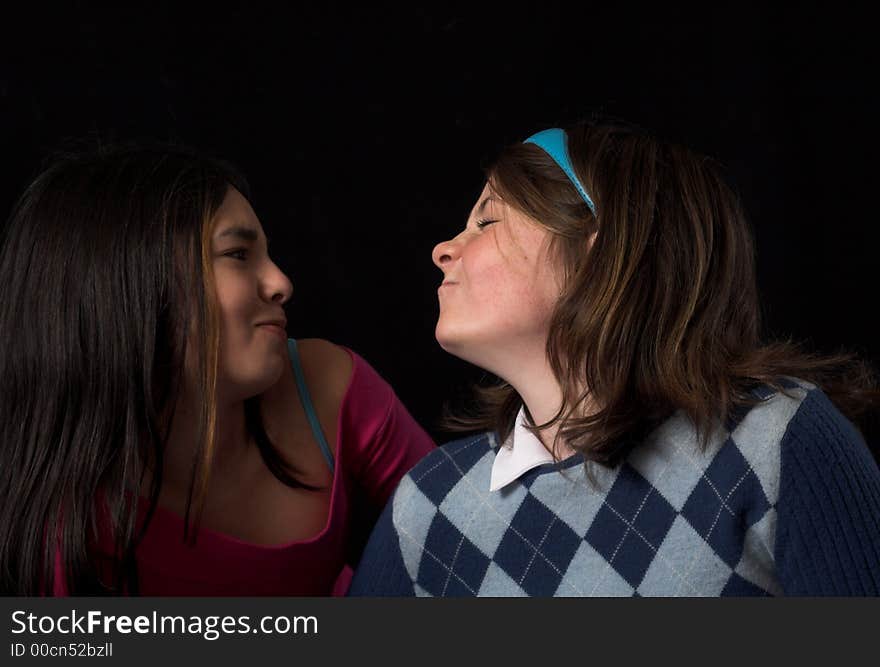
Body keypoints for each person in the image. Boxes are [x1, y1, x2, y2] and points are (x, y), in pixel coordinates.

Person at [349, 121, 880, 596]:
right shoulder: (429, 507)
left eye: (487, 222)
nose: (444, 248)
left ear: (599, 253)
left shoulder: (780, 442)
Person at [0, 141, 434, 596]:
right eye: (239, 255)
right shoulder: (61, 515)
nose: (281, 283)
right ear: (127, 283)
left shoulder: (327, 385)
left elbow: (469, 528)